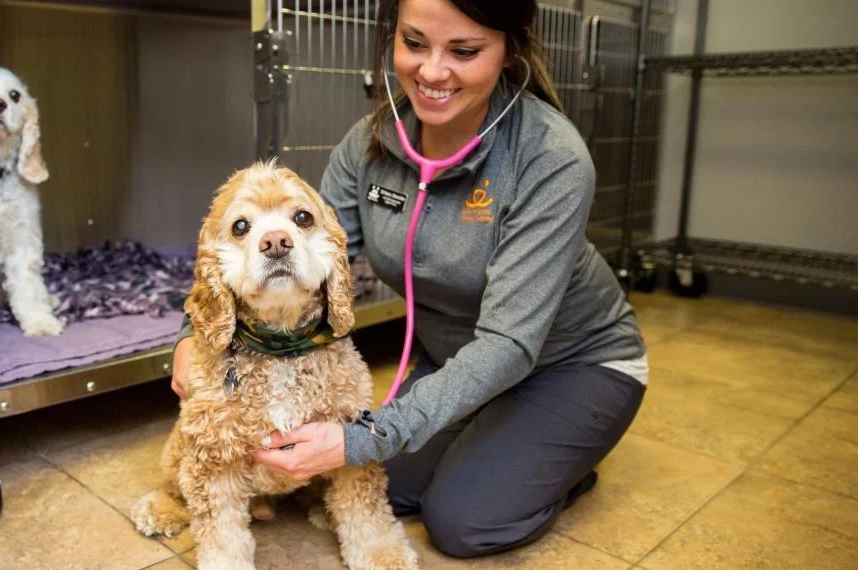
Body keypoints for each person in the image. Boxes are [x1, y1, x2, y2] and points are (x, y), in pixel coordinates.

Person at [171, 0, 648, 559]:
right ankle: (495, 441)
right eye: (415, 43)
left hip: (573, 364)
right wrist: (192, 335)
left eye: (464, 51)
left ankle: (559, 467)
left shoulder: (552, 159)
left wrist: (366, 435)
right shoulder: (367, 145)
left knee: (462, 521)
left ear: (509, 49)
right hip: (453, 360)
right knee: (382, 486)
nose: (432, 72)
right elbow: (309, 253)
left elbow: (511, 343)